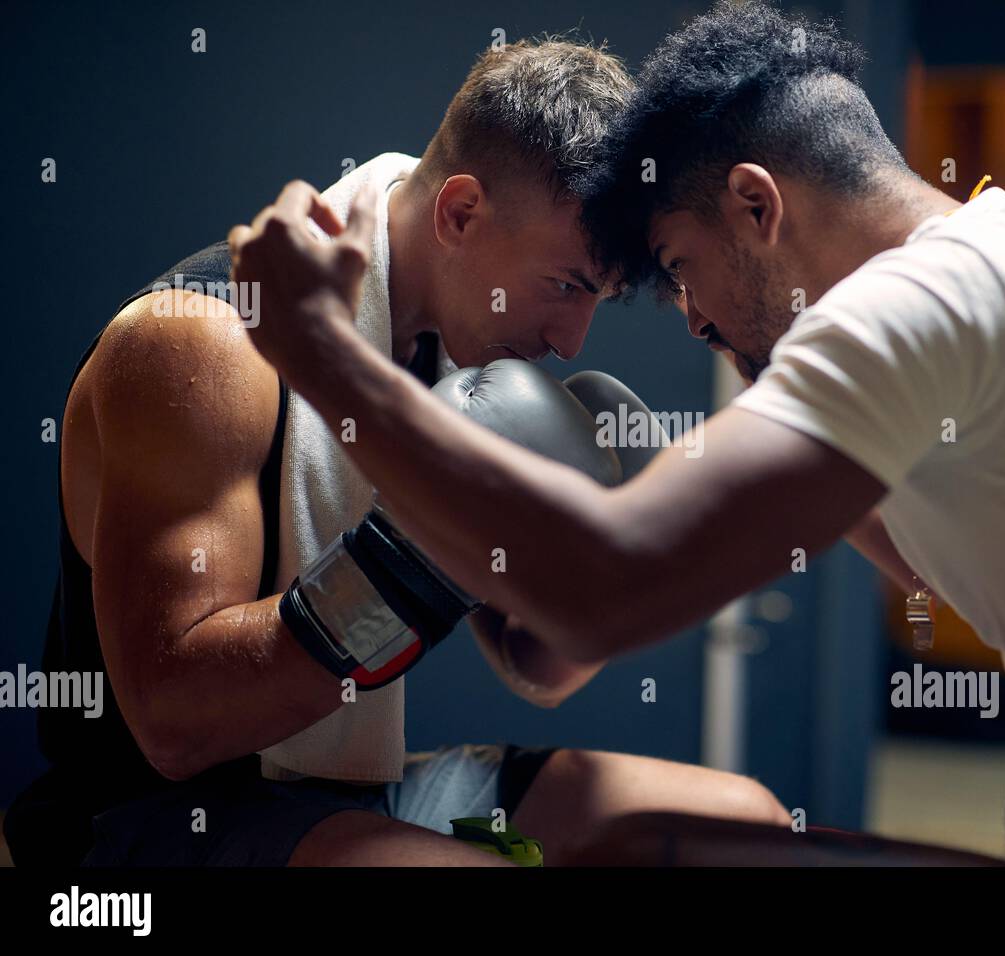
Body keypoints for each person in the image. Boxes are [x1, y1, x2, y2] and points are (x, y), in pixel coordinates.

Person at [229, 1, 1005, 867]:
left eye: (682, 267)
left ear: (757, 205)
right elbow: (840, 535)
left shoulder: (923, 303)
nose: (691, 317)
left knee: (673, 862)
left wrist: (320, 348)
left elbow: (605, 584)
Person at [4, 36, 789, 869]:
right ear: (459, 213)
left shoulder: (463, 365)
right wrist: (420, 554)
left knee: (740, 830)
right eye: (565, 286)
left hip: (345, 791)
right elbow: (173, 727)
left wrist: (612, 567)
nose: (571, 341)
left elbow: (536, 666)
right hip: (149, 819)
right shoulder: (205, 348)